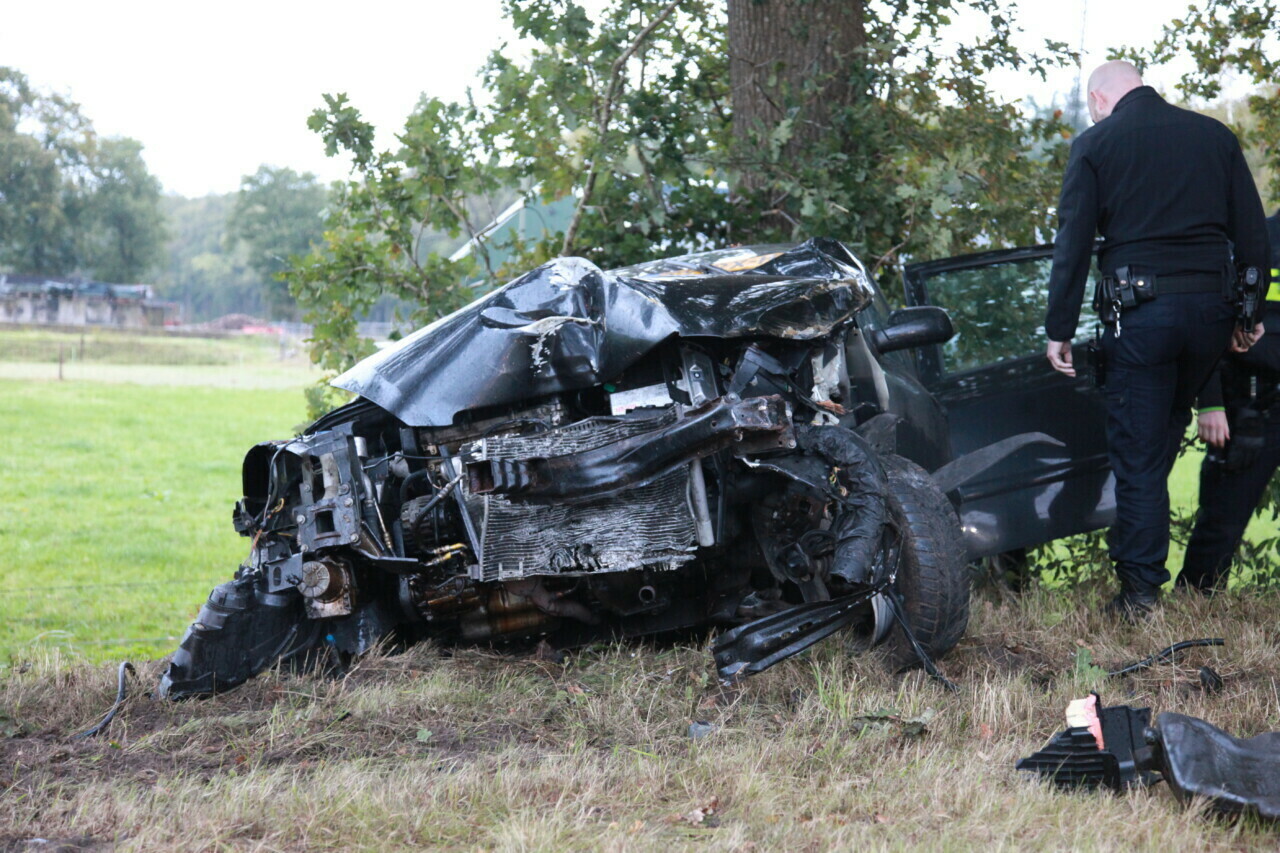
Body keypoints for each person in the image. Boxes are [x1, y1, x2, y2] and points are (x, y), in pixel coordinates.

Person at [1043, 60, 1270, 618]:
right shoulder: (1214, 135)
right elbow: (1252, 231)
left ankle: (1140, 594)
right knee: (1163, 430)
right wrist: (1250, 313)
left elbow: (1073, 243)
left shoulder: (1096, 144)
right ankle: (1141, 561)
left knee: (1140, 454)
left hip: (1141, 317)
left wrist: (1060, 329)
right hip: (1211, 316)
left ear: (1099, 99)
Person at [1178, 210, 1280, 592]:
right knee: (1223, 516)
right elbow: (1210, 327)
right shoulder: (1253, 244)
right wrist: (1213, 401)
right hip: (1253, 403)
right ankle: (1196, 598)